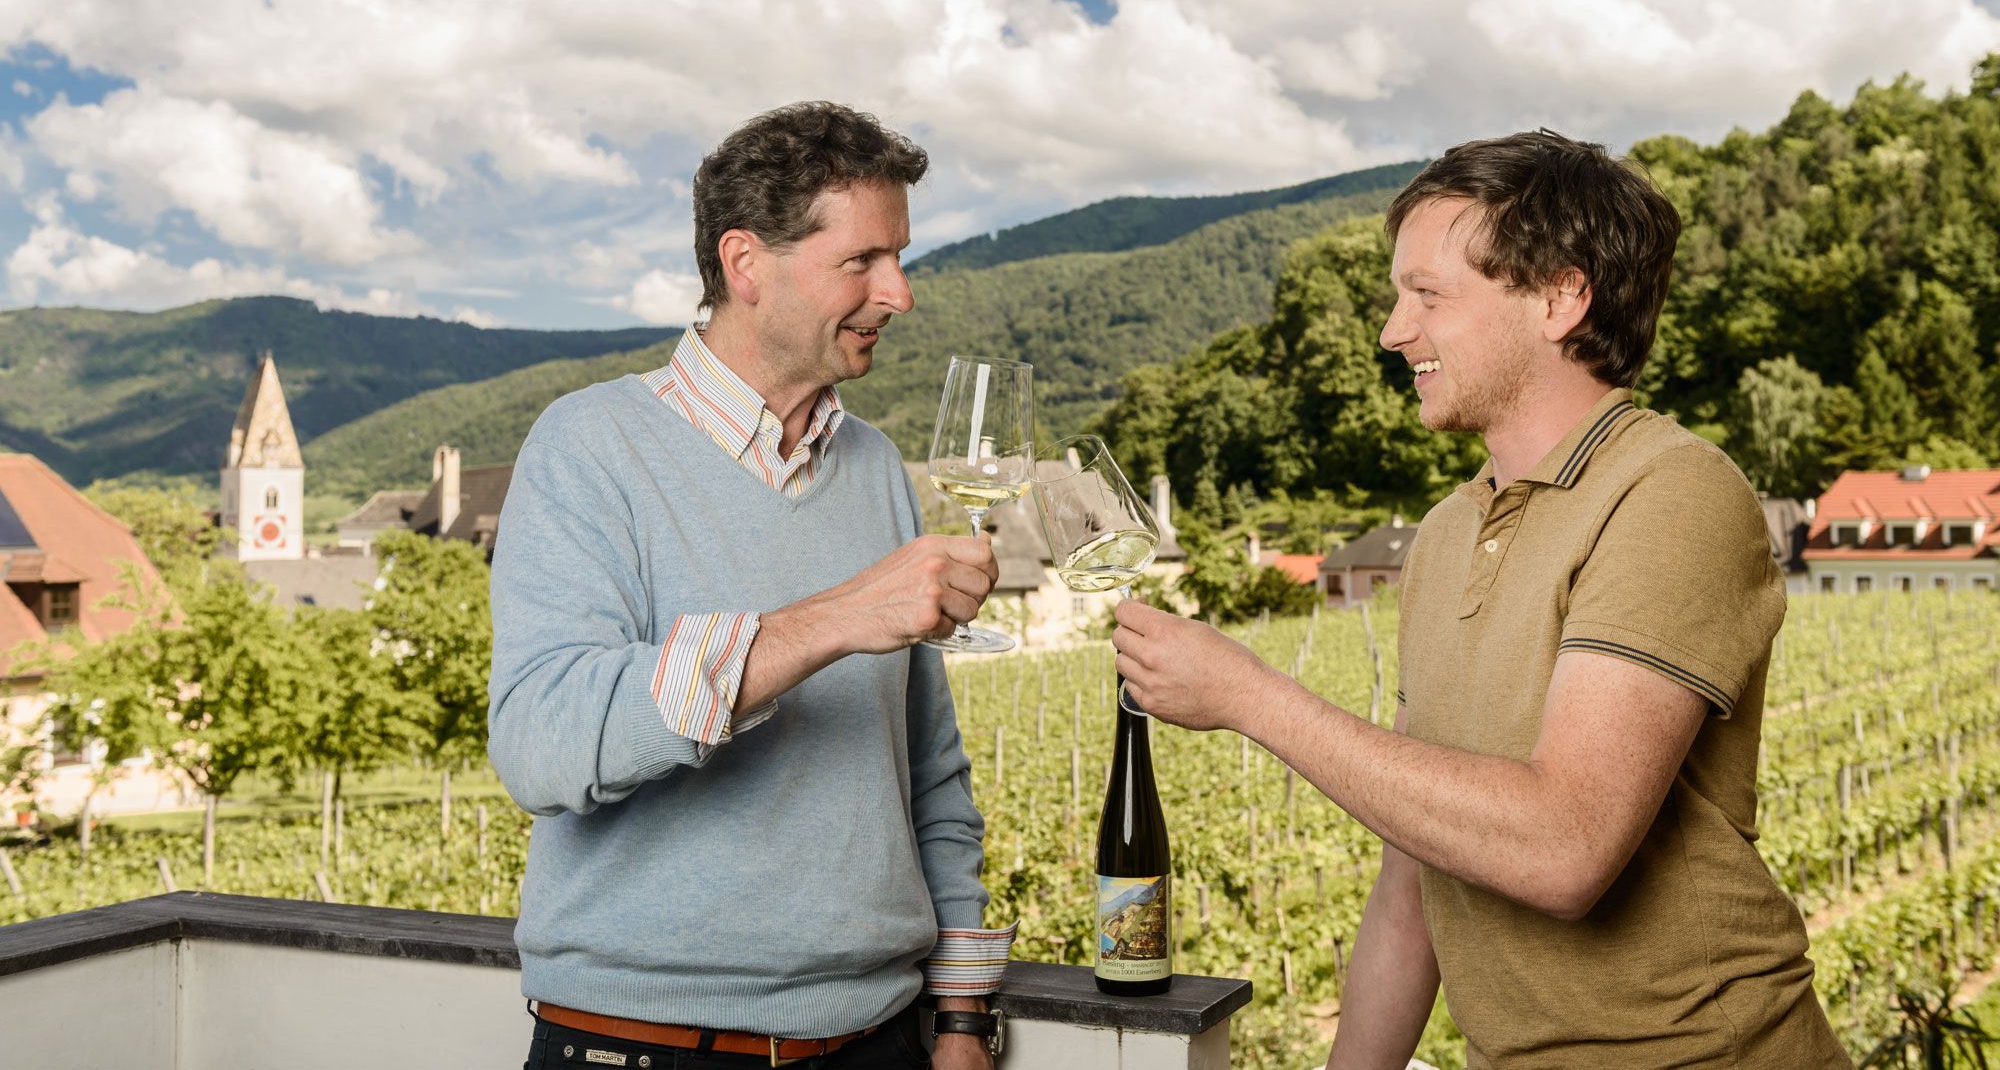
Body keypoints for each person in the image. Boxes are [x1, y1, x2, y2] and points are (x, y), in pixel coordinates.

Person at [1111, 130, 1848, 1067]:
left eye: (1427, 293)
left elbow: (1565, 848)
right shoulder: (1446, 533)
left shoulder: (1673, 493)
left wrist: (1254, 699)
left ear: (1559, 297)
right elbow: (1412, 878)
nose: (1392, 328)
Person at [489, 102, 1013, 1070]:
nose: (898, 293)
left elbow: (928, 773)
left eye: (898, 257)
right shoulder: (588, 445)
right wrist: (830, 621)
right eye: (862, 261)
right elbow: (541, 743)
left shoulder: (875, 468)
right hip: (644, 1049)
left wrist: (962, 1014)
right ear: (745, 264)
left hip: (882, 1045)